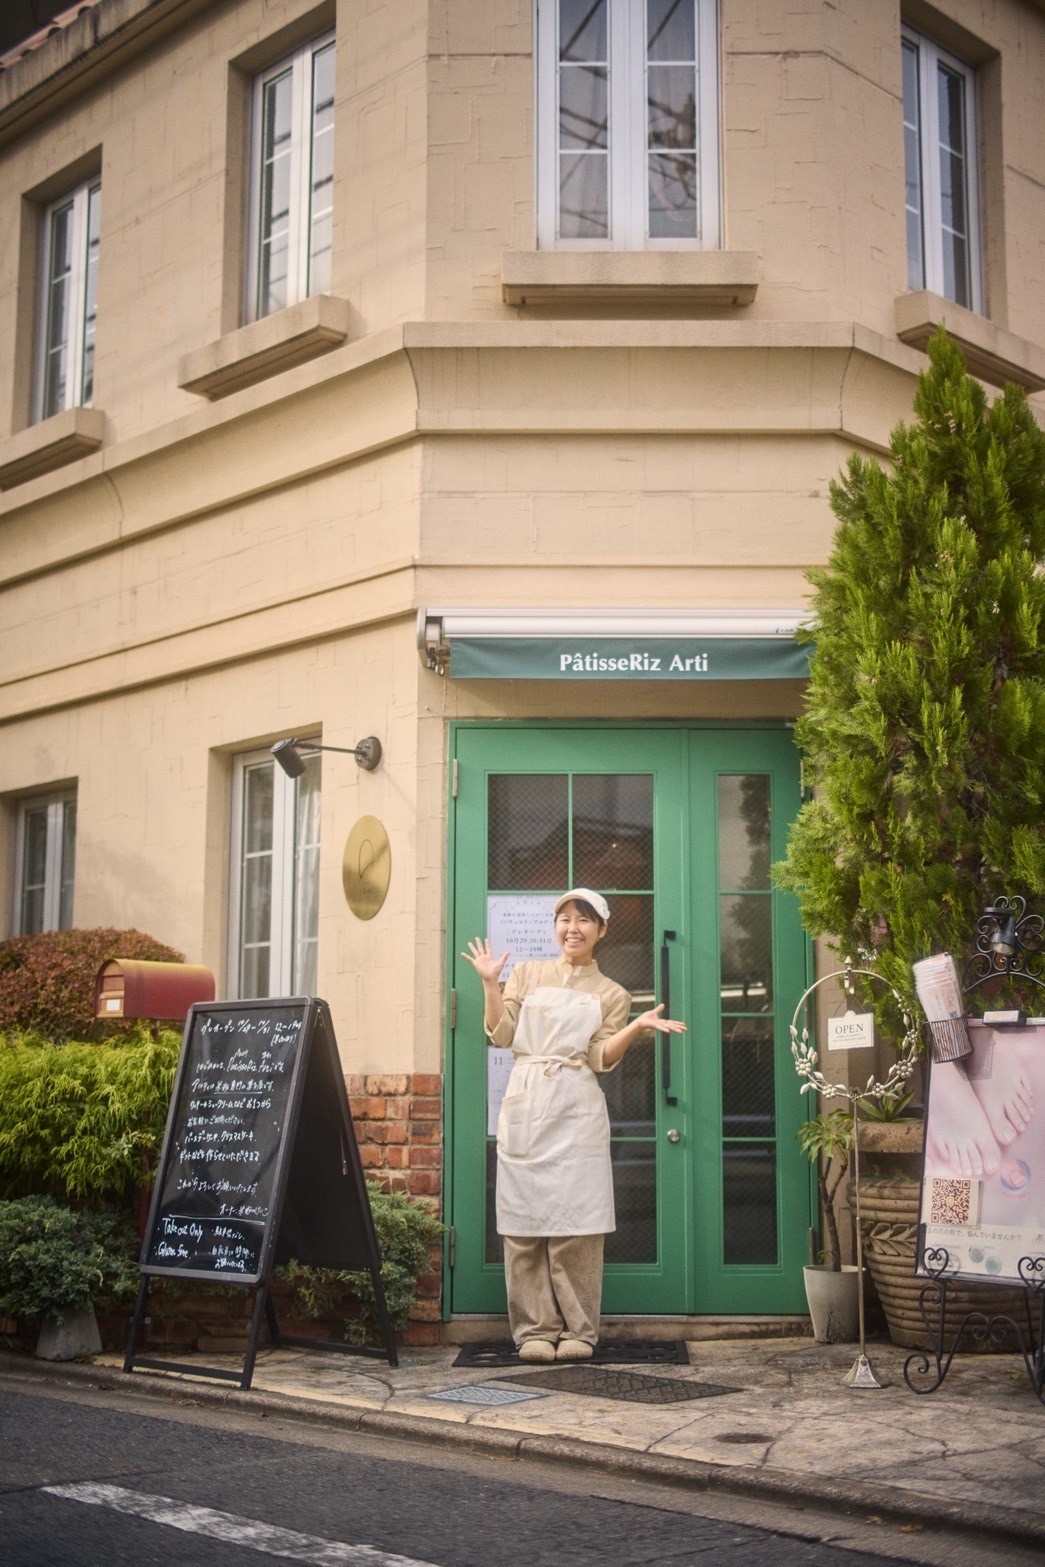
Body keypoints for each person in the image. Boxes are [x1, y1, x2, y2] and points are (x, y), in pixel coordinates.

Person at [462, 888, 686, 1363]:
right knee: (523, 1223)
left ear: (601, 930)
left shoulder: (613, 994)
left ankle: (579, 1330)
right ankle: (534, 1329)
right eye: (564, 918)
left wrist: (635, 1027)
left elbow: (600, 1057)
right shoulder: (526, 974)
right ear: (555, 927)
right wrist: (489, 984)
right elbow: (502, 1035)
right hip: (527, 1102)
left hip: (576, 1106)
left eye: (584, 920)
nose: (572, 928)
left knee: (578, 1225)